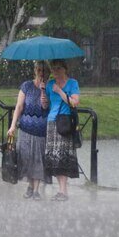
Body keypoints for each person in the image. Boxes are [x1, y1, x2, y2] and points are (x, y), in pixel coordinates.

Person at [7, 61, 51, 200]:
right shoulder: (26, 86)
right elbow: (19, 106)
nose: (41, 73)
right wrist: (13, 125)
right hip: (25, 128)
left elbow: (46, 108)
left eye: (43, 70)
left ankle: (36, 190)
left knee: (38, 160)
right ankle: (30, 186)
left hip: (41, 130)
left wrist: (45, 94)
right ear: (35, 70)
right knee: (26, 158)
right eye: (38, 70)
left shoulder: (50, 87)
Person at [41, 59, 80, 201]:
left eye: (58, 69)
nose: (55, 72)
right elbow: (47, 106)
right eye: (53, 69)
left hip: (64, 123)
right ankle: (60, 190)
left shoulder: (72, 83)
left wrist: (60, 91)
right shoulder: (50, 84)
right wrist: (44, 98)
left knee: (62, 156)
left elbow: (74, 103)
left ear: (65, 69)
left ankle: (64, 191)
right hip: (51, 123)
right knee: (55, 158)